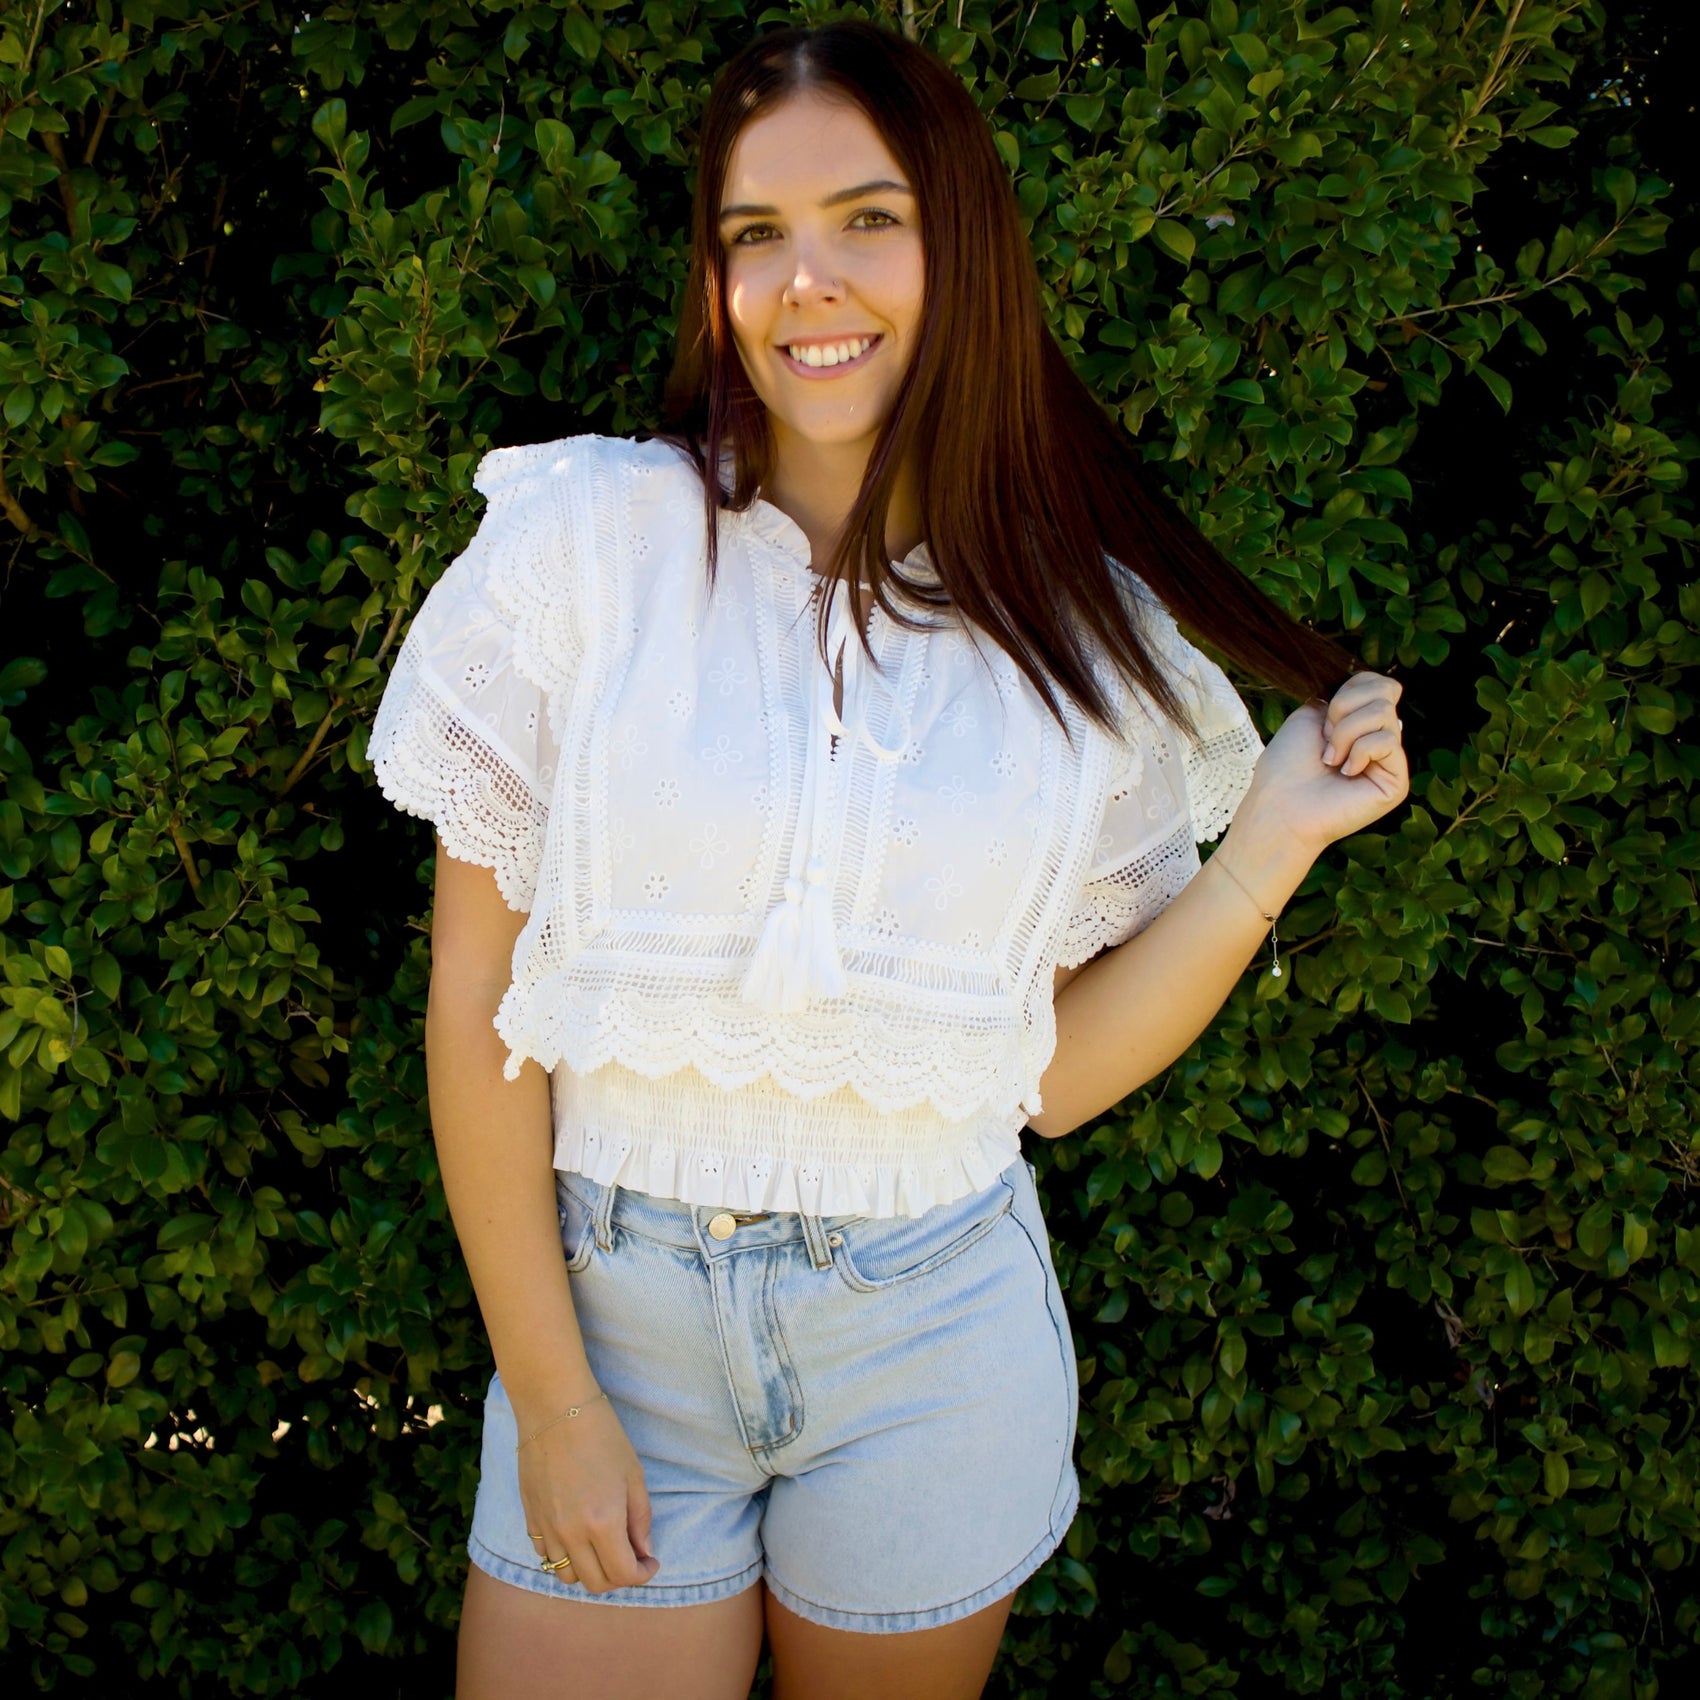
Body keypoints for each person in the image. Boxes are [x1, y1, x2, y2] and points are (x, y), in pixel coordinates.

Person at [367, 20, 1408, 1700]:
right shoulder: (584, 552)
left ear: (961, 246)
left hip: (934, 1337)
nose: (809, 282)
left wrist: (1269, 847)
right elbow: (479, 1005)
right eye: (755, 235)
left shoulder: (1088, 650)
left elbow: (1048, 1079)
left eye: (869, 218)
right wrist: (553, 1400)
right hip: (614, 1328)